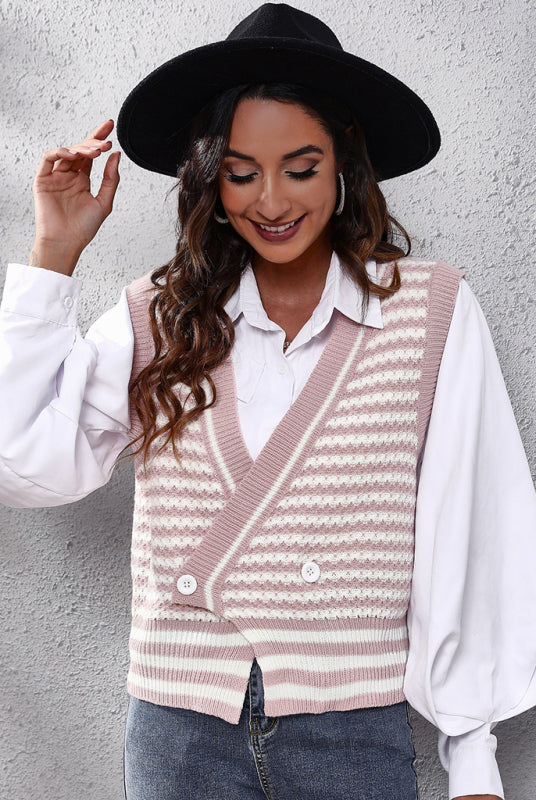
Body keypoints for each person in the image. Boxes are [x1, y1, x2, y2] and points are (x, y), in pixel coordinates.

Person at [1, 3, 536, 799]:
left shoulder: (430, 312)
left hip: (351, 730)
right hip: (178, 732)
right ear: (211, 181)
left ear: (345, 163)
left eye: (301, 167)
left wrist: (473, 756)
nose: (273, 201)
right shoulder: (160, 315)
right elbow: (26, 466)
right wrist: (53, 254)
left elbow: (474, 526)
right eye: (242, 172)